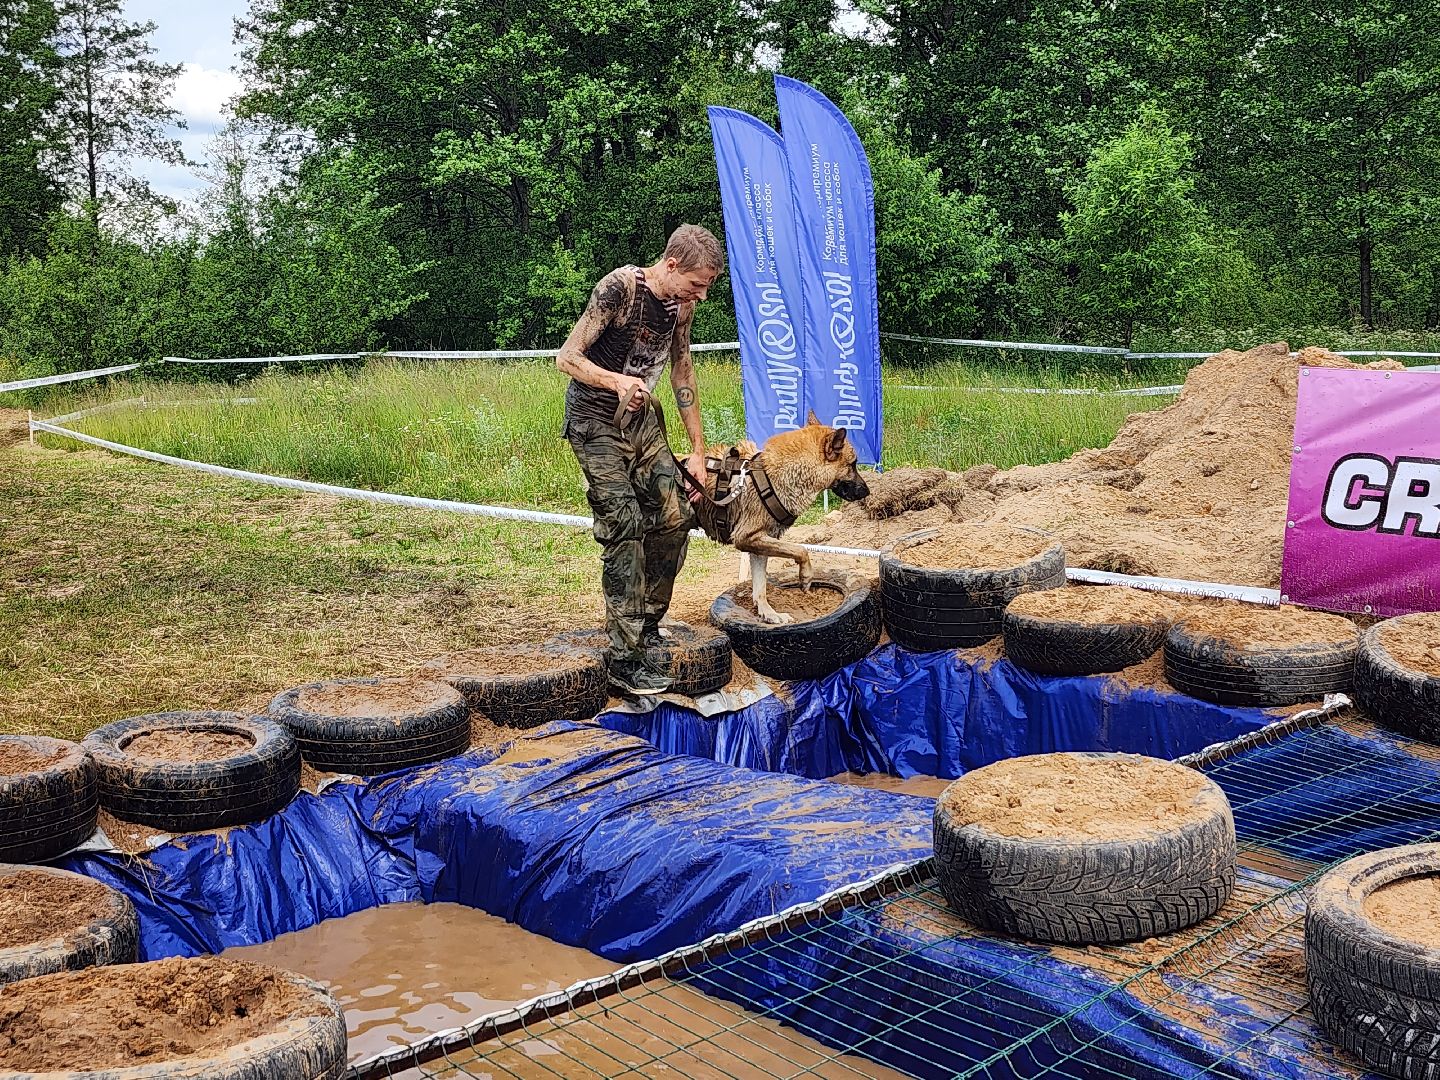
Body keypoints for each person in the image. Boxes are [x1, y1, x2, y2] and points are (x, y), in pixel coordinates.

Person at [556, 224, 724, 695]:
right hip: (595, 419)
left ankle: (646, 626)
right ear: (671, 266)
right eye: (697, 283)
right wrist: (616, 382)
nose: (703, 295)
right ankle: (623, 657)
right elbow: (567, 358)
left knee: (674, 516)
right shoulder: (619, 290)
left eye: (708, 286)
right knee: (625, 522)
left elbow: (682, 368)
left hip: (643, 420)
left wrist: (696, 449)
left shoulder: (683, 306)